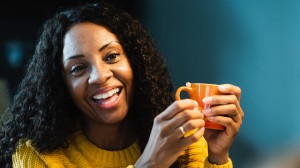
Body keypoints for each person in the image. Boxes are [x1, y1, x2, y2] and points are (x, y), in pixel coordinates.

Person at [0, 1, 244, 167]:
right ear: (60, 84)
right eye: (78, 68)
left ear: (135, 63)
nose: (99, 76)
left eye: (111, 56)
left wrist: (218, 156)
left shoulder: (182, 140)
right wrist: (149, 163)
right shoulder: (37, 155)